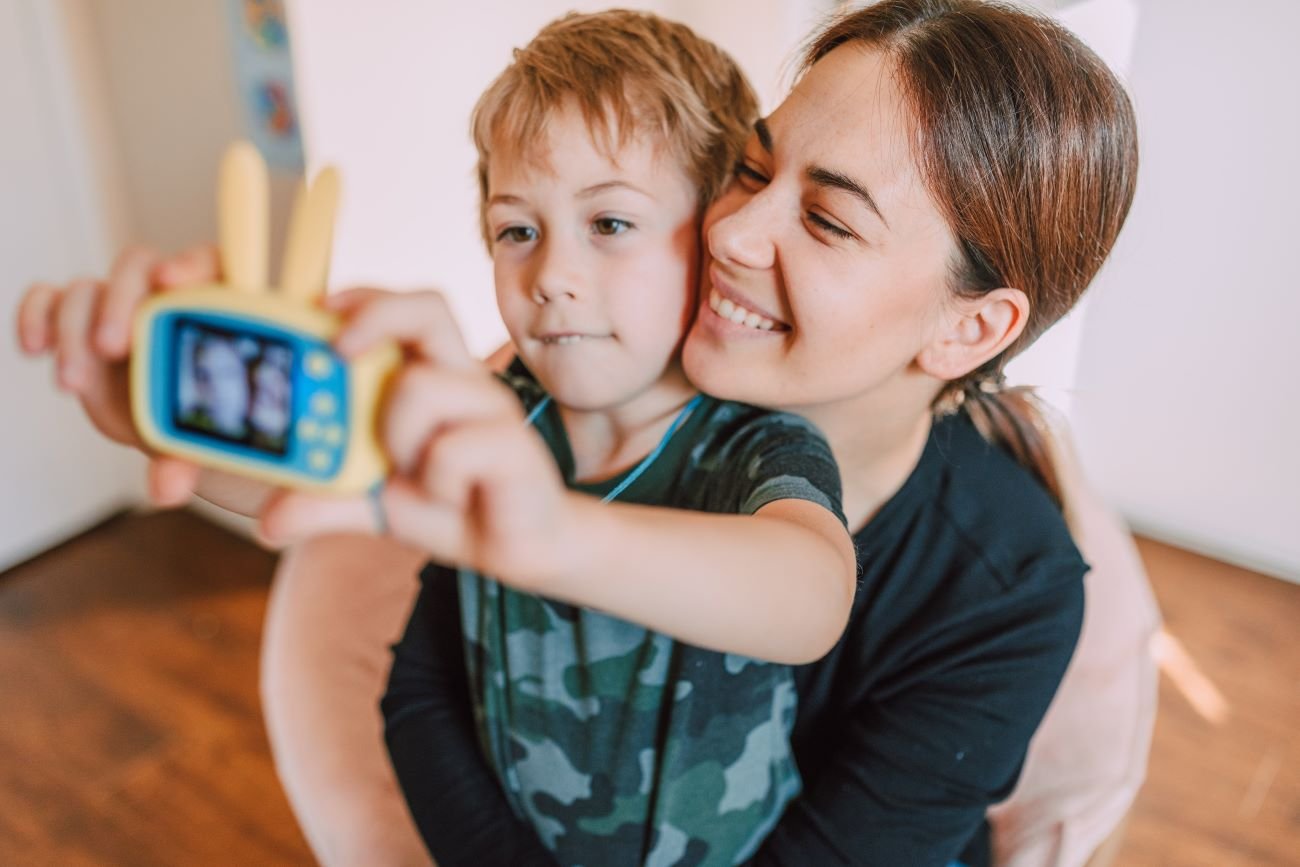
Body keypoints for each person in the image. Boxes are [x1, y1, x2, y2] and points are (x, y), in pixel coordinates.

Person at [15, 1, 1157, 865]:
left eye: (823, 217)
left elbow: (807, 600)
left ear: (971, 327)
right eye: (751, 168)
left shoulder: (1003, 578)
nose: (736, 225)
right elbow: (418, 681)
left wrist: (548, 534)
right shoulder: (574, 398)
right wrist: (155, 394)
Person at [264, 11, 854, 866]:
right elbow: (300, 474)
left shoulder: (753, 443)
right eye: (517, 231)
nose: (551, 277)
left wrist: (555, 533)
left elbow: (812, 595)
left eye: (609, 224)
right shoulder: (488, 411)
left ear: (716, 233)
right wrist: (177, 411)